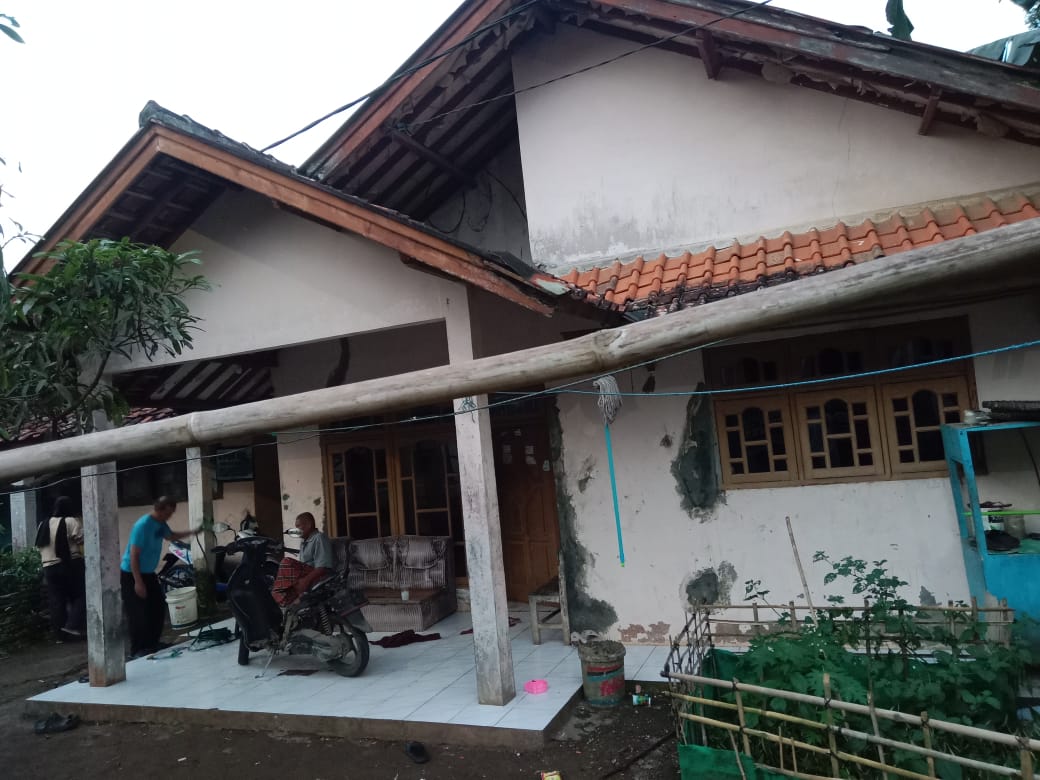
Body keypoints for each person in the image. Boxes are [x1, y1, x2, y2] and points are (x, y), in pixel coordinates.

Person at [120, 497, 196, 657]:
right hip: (132, 574)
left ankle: (152, 643)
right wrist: (138, 582)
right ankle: (138, 649)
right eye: (168, 513)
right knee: (138, 612)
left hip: (148, 573)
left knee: (157, 607)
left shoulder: (160, 523)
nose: (169, 517)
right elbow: (134, 555)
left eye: (171, 514)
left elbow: (170, 536)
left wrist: (193, 532)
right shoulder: (143, 525)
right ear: (159, 510)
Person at [36, 496, 86, 642]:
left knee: (57, 601)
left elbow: (40, 545)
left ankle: (60, 636)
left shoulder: (43, 524)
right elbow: (81, 539)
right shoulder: (71, 521)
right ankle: (72, 625)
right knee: (81, 595)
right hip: (70, 564)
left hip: (49, 567)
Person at [271, 512, 335, 606]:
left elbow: (323, 567)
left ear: (308, 525)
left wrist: (305, 581)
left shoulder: (319, 538)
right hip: (306, 574)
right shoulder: (304, 541)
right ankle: (284, 600)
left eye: (298, 526)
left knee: (286, 562)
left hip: (318, 576)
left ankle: (281, 598)